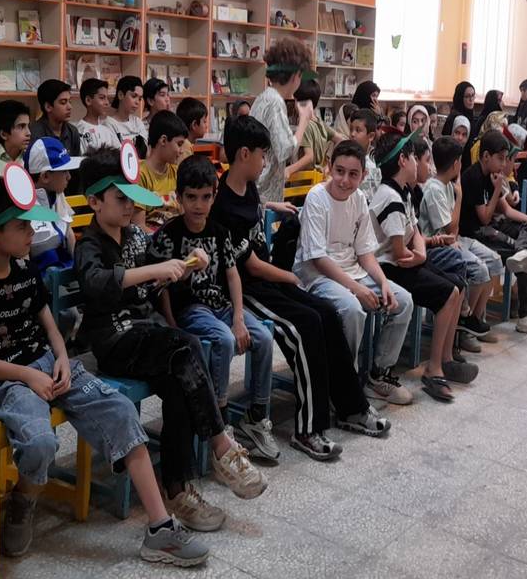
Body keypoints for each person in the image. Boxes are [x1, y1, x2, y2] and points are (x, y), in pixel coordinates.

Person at [0, 176, 208, 565]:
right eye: (22, 226)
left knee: (120, 411)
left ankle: (160, 528)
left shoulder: (25, 270)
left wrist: (61, 357)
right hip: (5, 381)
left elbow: (50, 326)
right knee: (41, 443)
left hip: (51, 366)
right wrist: (28, 375)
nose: (32, 232)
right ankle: (24, 500)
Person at [75, 148, 266, 518]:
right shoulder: (89, 245)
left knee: (180, 384)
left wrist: (186, 267)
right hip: (116, 341)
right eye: (120, 199)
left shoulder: (134, 236)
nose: (130, 206)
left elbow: (151, 286)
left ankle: (178, 490)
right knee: (186, 344)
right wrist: (155, 270)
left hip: (147, 337)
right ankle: (221, 444)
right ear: (94, 202)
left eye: (131, 198)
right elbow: (96, 283)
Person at [212, 116, 391, 460]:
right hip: (247, 289)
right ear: (244, 154)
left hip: (268, 279)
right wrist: (289, 277)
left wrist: (270, 206)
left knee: (326, 314)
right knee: (303, 326)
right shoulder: (223, 205)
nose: (266, 162)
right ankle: (308, 430)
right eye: (263, 155)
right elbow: (250, 265)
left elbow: (253, 212)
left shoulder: (246, 186)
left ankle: (352, 407)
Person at [150, 156, 279, 462]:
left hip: (221, 306)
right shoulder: (169, 235)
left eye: (206, 197)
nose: (199, 205)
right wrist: (171, 324)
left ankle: (257, 415)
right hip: (191, 309)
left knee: (262, 336)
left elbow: (233, 276)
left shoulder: (220, 231)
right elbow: (160, 287)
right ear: (179, 197)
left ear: (214, 195)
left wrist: (239, 317)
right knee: (223, 339)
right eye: (191, 197)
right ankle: (219, 420)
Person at [295, 140, 415, 404]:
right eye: (339, 171)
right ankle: (342, 384)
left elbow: (365, 253)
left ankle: (378, 375)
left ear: (364, 175)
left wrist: (383, 282)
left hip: (353, 271)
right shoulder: (316, 197)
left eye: (353, 174)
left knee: (403, 301)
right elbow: (318, 259)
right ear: (329, 167)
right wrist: (357, 289)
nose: (344, 180)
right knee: (352, 309)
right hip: (317, 276)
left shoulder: (359, 199)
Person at [372, 131, 472, 401]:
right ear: (402, 161)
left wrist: (421, 254)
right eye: (415, 157)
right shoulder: (388, 197)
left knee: (457, 285)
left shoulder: (404, 191)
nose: (418, 162)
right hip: (388, 267)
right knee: (448, 293)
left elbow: (415, 231)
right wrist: (418, 256)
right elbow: (397, 252)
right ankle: (433, 368)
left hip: (408, 260)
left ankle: (445, 359)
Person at [460, 131, 527, 333]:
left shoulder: (493, 176)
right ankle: (526, 316)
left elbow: (507, 210)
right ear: (486, 156)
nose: (504, 164)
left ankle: (522, 251)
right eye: (501, 159)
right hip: (476, 233)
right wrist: (497, 189)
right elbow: (484, 218)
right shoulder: (473, 177)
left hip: (492, 227)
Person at [419, 136, 502, 344]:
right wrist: (460, 196)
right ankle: (463, 325)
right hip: (437, 245)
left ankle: (475, 320)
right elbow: (450, 228)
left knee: (494, 260)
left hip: (455, 240)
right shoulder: (435, 188)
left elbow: (454, 231)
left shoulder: (448, 185)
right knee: (479, 269)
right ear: (456, 163)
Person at [251, 37, 314, 204]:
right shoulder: (276, 102)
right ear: (296, 75)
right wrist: (304, 119)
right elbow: (286, 150)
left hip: (257, 189)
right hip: (263, 192)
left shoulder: (264, 97)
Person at [23, 136, 81, 274]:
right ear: (45, 177)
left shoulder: (57, 193)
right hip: (41, 274)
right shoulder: (23, 203)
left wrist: (81, 266)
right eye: (64, 171)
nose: (69, 177)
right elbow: (23, 258)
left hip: (66, 269)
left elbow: (69, 233)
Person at [133, 111, 186, 230]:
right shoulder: (140, 174)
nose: (182, 151)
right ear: (163, 140)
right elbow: (139, 225)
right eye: (179, 144)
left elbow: (184, 217)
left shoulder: (177, 172)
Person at [290, 78, 341, 175]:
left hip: (304, 179)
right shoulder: (319, 122)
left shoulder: (305, 125)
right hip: (318, 176)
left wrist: (288, 170)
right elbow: (340, 139)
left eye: (295, 100)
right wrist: (330, 162)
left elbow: (309, 157)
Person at [29, 79, 82, 157]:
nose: (70, 107)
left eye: (70, 102)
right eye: (63, 102)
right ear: (48, 107)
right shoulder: (34, 133)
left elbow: (77, 162)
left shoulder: (72, 132)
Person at [77, 78, 121, 155]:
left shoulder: (107, 130)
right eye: (102, 98)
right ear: (88, 100)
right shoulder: (80, 130)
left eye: (107, 98)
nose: (107, 102)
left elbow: (121, 152)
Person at [107, 76, 149, 155]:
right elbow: (118, 154)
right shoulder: (108, 124)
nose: (137, 102)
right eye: (134, 96)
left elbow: (145, 150)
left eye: (140, 99)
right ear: (120, 95)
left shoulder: (137, 122)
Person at [349, 108, 382, 199]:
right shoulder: (347, 157)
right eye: (351, 129)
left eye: (358, 130)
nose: (352, 134)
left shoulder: (375, 163)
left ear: (371, 136)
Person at [175, 97, 209, 163]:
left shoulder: (186, 144)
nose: (206, 126)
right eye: (204, 121)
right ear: (194, 125)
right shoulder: (185, 147)